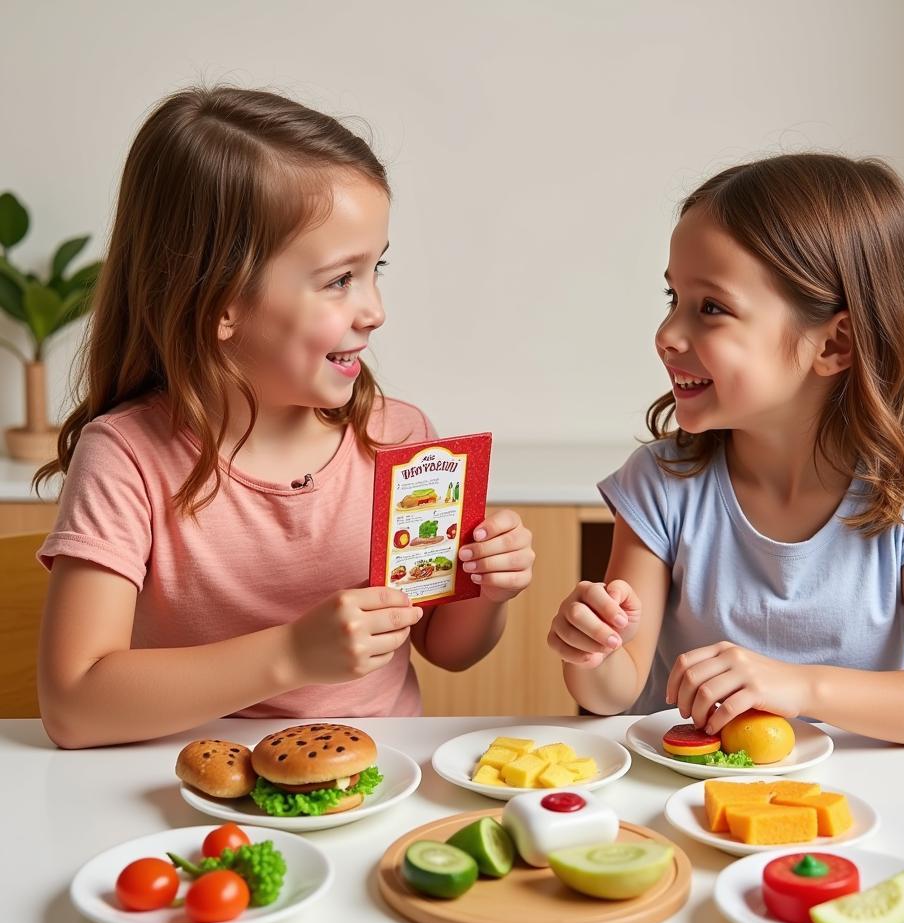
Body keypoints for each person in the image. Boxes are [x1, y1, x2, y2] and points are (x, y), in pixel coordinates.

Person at [35, 86, 534, 749]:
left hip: (379, 780)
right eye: (338, 280)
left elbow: (446, 648)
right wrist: (292, 656)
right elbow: (75, 705)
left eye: (375, 268)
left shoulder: (401, 438)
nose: (374, 309)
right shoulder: (126, 456)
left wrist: (488, 592)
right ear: (218, 302)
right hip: (191, 789)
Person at [548, 153, 904, 746]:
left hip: (845, 812)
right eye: (673, 299)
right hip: (691, 804)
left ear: (834, 343)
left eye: (711, 308)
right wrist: (592, 651)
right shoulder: (660, 484)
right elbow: (614, 692)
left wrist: (801, 687)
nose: (667, 334)